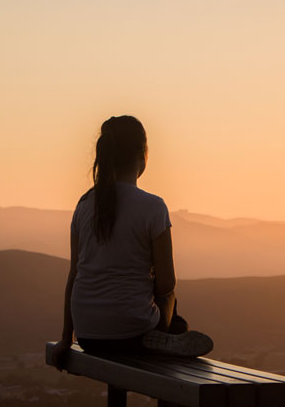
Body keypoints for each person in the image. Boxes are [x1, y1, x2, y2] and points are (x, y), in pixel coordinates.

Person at [51, 115, 213, 370]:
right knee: (170, 298)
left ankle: (168, 334)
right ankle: (170, 334)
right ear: (143, 155)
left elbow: (74, 276)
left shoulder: (83, 206)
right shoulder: (153, 207)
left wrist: (65, 338)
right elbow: (166, 283)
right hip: (133, 333)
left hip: (88, 336)